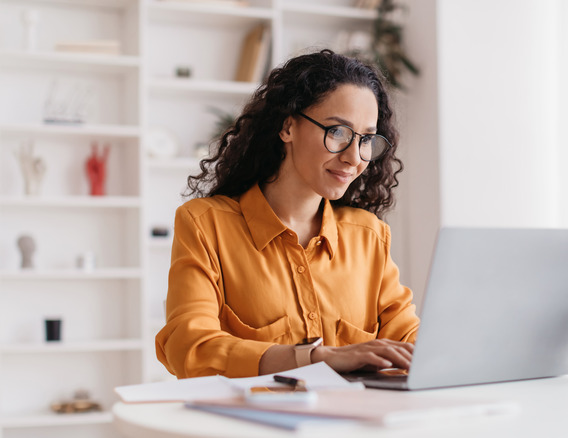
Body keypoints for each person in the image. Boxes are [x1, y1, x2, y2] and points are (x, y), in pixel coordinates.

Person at [155, 49, 419, 379]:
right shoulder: (205, 224)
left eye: (366, 139)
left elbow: (409, 343)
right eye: (337, 131)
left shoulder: (368, 235)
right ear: (287, 127)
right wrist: (317, 358)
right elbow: (189, 347)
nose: (355, 157)